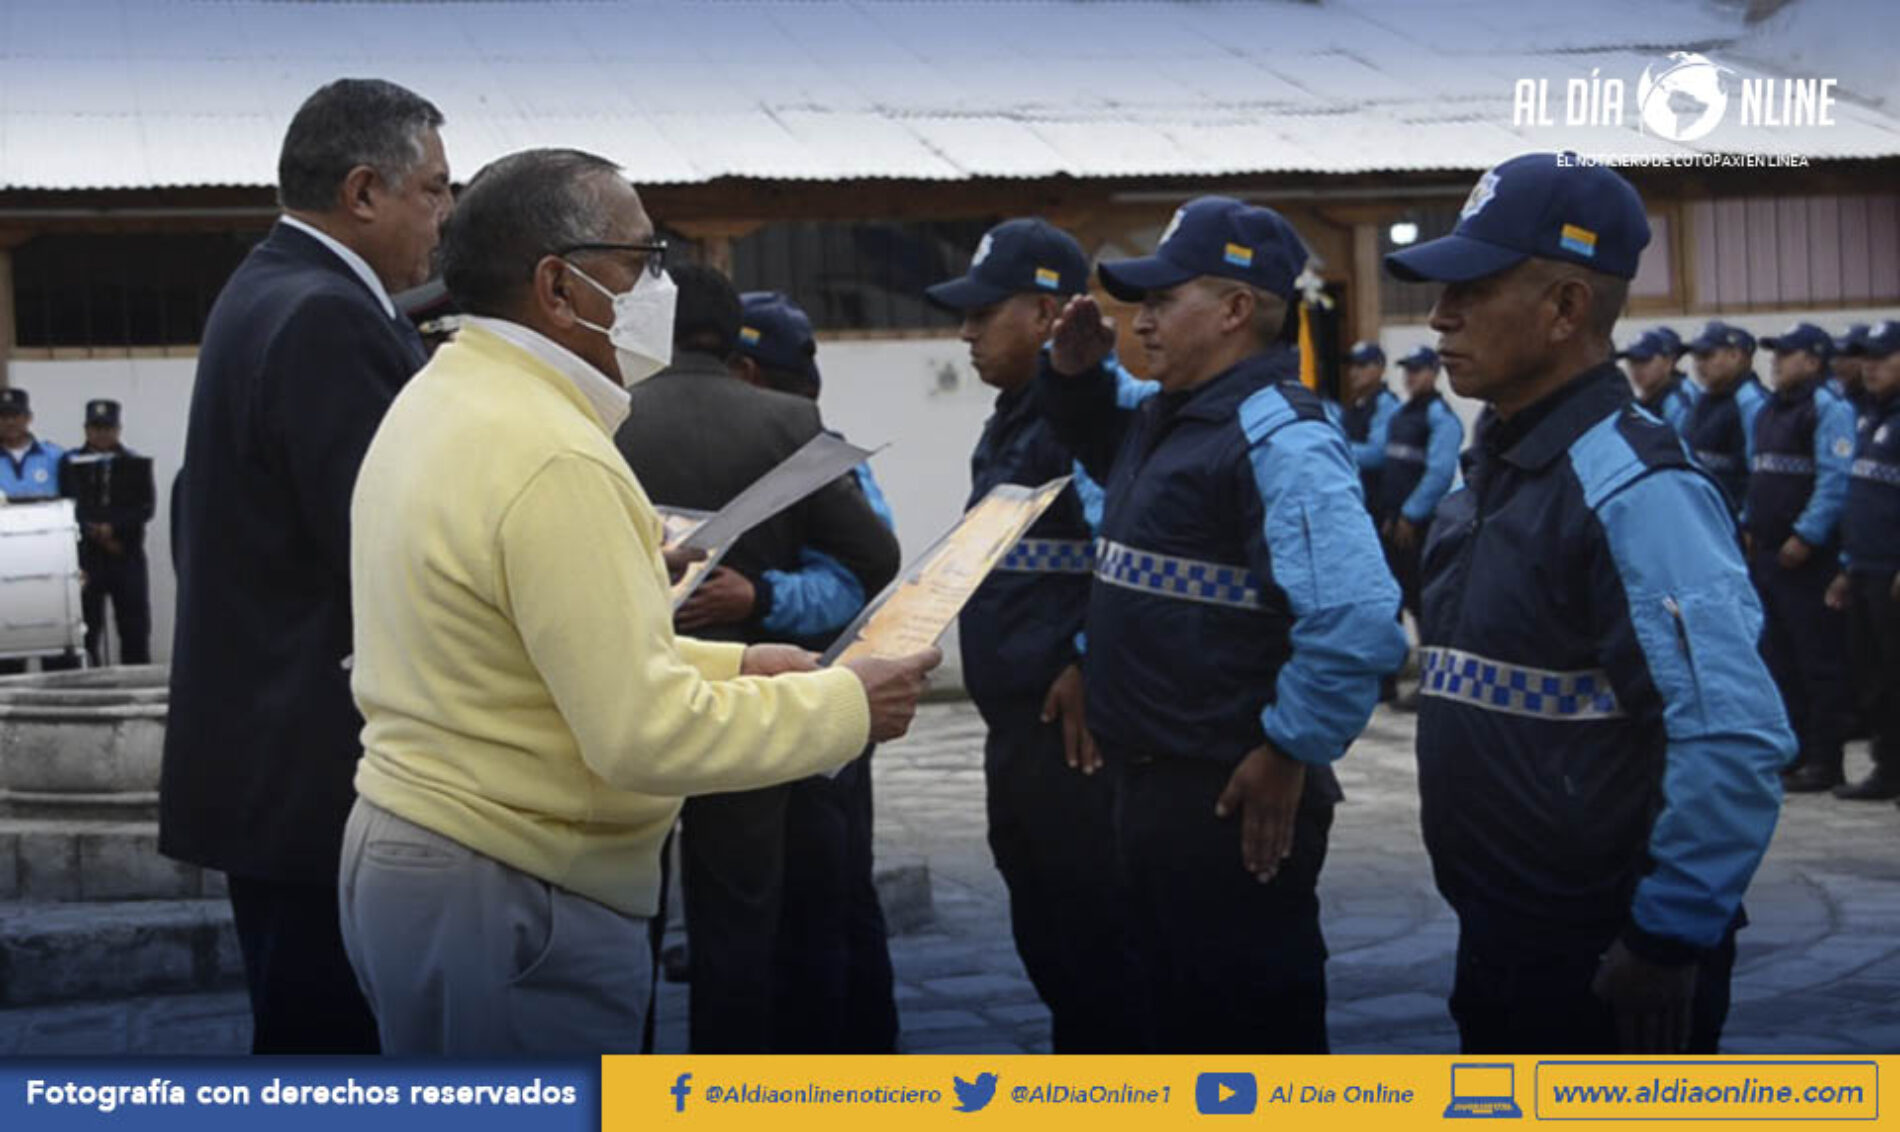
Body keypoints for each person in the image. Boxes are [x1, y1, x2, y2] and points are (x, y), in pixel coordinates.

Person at [338, 147, 938, 1056]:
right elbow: (640, 731)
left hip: (437, 858)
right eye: (638, 259)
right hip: (507, 889)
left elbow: (541, 655)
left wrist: (739, 662)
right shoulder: (552, 455)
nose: (658, 283)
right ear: (559, 285)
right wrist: (846, 704)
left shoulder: (450, 396)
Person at [1386, 152, 1792, 1054]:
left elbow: (1734, 737)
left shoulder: (1632, 491)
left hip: (1607, 965)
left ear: (1567, 307)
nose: (1440, 315)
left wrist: (1665, 937)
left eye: (1471, 288)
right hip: (1502, 938)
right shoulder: (1494, 472)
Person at [1040, 195, 1406, 1052]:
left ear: (1238, 309)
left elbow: (1355, 617)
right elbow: (1115, 467)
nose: (1144, 318)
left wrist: (1290, 750)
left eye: (1166, 300)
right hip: (1155, 790)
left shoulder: (1278, 434)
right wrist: (1075, 374)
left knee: (1247, 1036)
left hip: (1229, 803)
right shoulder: (1173, 414)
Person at [158, 79, 451, 1054]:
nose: (446, 218)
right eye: (435, 192)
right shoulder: (327, 316)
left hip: (270, 761)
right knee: (333, 1047)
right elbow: (392, 548)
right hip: (318, 778)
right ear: (364, 191)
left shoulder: (269, 287)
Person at [614, 265, 901, 1053]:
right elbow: (875, 556)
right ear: (730, 330)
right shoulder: (789, 422)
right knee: (739, 920)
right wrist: (765, 594)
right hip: (751, 707)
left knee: (621, 918)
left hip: (621, 695)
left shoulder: (600, 419)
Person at [923, 217, 1147, 1052]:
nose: (967, 332)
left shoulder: (1083, 416)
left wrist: (1092, 658)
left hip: (1071, 737)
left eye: (986, 313)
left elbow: (1127, 544)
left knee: (1096, 952)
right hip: (1017, 726)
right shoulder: (1016, 415)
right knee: (1052, 941)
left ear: (1051, 314)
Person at [729, 288, 902, 1052]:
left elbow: (857, 587)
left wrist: (759, 594)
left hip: (825, 718)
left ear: (748, 374)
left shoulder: (825, 461)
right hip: (769, 719)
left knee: (830, 907)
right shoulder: (761, 448)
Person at [1743, 324, 1858, 795]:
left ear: (1813, 360)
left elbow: (1835, 481)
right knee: (1779, 662)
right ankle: (1793, 756)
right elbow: (1758, 472)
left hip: (1807, 560)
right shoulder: (1770, 409)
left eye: (1787, 354)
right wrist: (1750, 522)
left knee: (1818, 664)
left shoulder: (1828, 409)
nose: (1777, 361)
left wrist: (1806, 536)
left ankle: (1825, 761)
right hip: (1768, 556)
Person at [1826, 321, 1900, 802]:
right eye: (1865, 358)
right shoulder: (1868, 414)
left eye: (1881, 357)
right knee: (1876, 681)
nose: (1869, 366)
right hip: (1867, 569)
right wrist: (1848, 566)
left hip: (1895, 573)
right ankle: (1889, 770)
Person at [58, 399, 156, 665]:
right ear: (86, 429)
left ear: (118, 429)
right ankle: (89, 683)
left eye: (107, 428)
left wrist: (113, 529)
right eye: (96, 427)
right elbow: (67, 503)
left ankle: (136, 682)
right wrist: (94, 531)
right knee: (87, 626)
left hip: (126, 554)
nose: (102, 434)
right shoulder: (70, 463)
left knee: (134, 624)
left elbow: (144, 508)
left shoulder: (136, 464)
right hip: (87, 557)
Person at [1378, 345, 1463, 630]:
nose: (1409, 377)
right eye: (1406, 371)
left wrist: (1411, 514)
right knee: (1390, 598)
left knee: (1422, 601)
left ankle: (1431, 665)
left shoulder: (1440, 415)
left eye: (1416, 370)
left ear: (1434, 373)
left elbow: (1440, 473)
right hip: (1394, 522)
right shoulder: (1402, 412)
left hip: (1418, 526)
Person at [1682, 321, 1768, 516]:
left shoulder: (1751, 401)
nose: (1699, 364)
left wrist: (1747, 522)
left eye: (1707, 356)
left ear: (1735, 356)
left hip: (1733, 519)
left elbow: (1760, 474)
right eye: (1696, 357)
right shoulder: (1701, 400)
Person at [1337, 340, 1399, 511]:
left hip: (1376, 504)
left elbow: (1377, 454)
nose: (1354, 372)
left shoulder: (1387, 404)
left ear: (1379, 368)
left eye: (1362, 365)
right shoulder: (1355, 406)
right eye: (1352, 366)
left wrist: (1336, 448)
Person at [1619, 329, 1697, 431]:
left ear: (1668, 362)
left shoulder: (1681, 400)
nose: (1636, 368)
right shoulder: (1645, 398)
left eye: (1644, 360)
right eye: (1632, 361)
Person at [0, 387, 63, 502]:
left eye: (16, 415)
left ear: (29, 417)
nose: (10, 422)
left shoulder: (54, 456)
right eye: (3, 416)